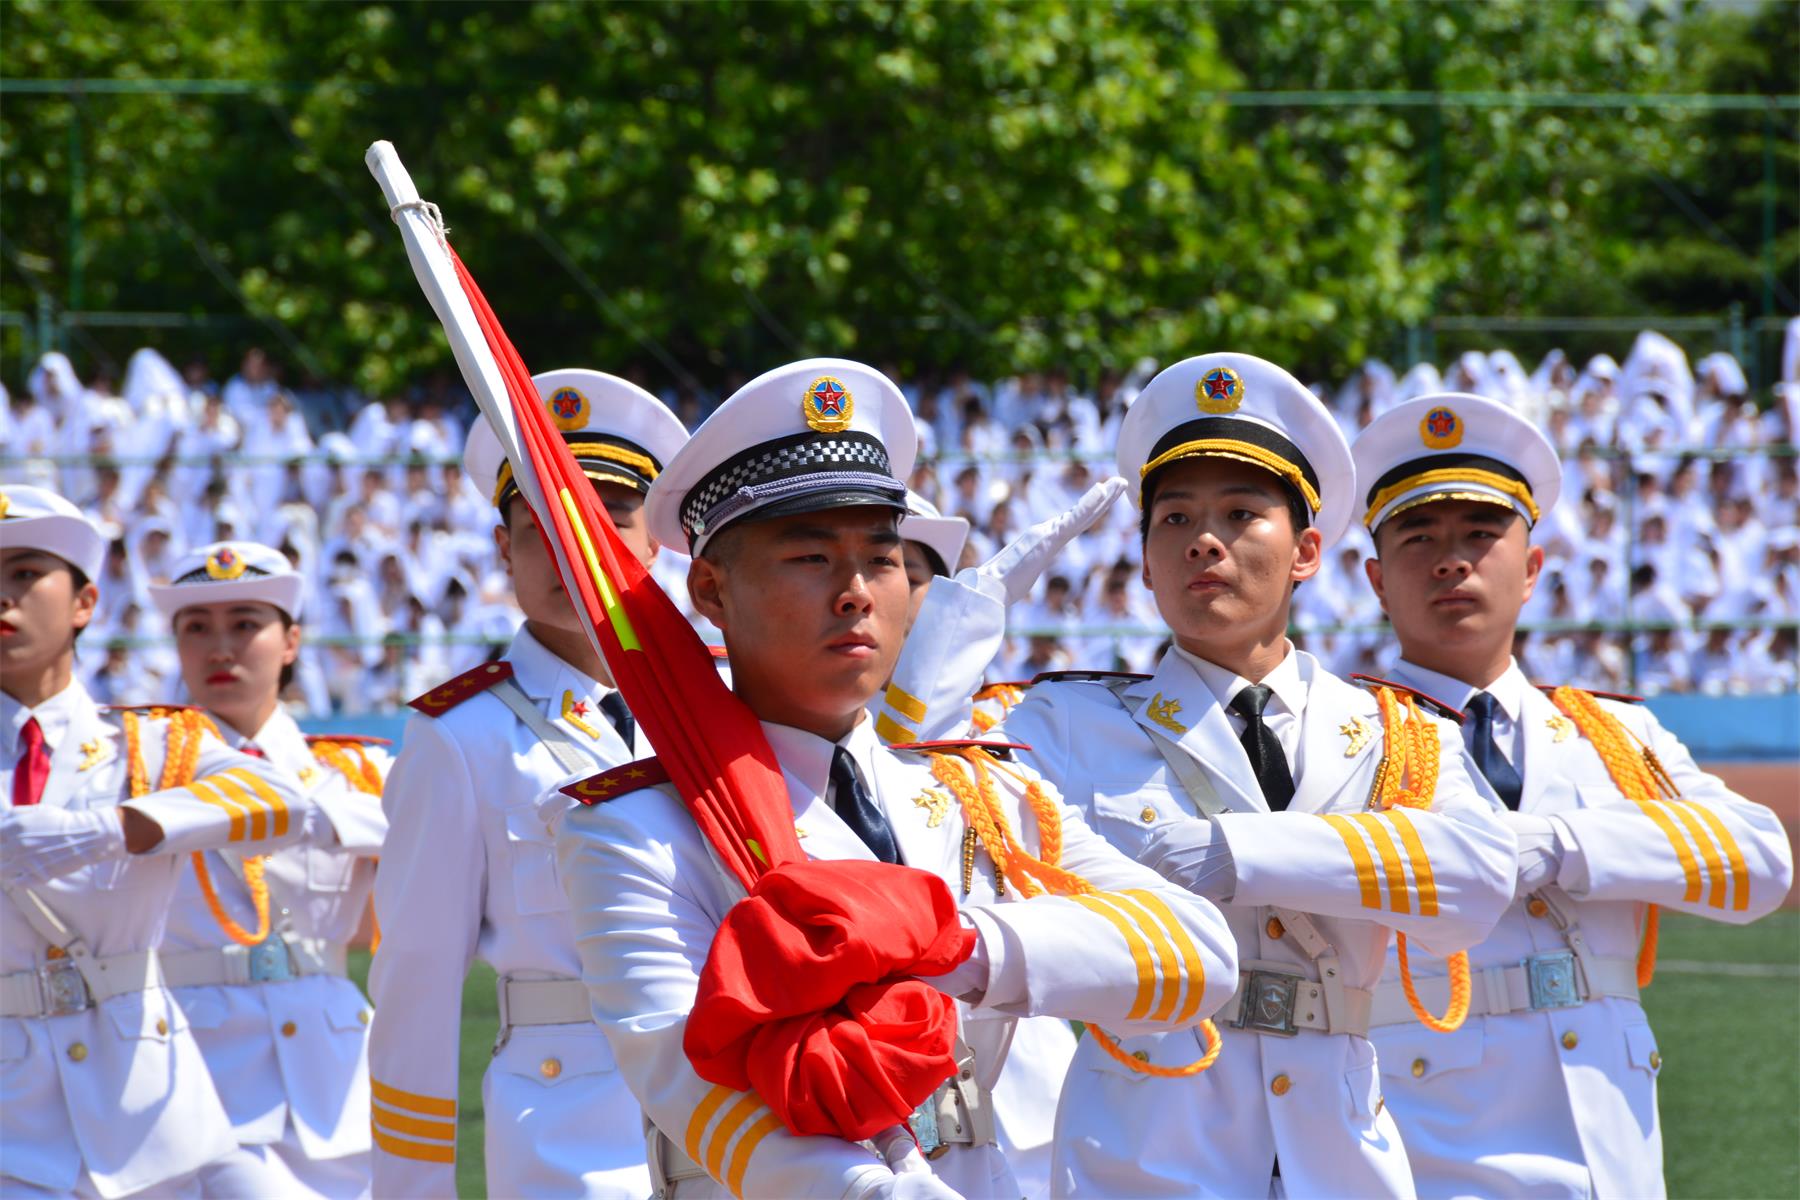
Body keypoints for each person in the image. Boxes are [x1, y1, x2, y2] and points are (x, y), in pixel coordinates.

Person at [555, 358, 1238, 1199]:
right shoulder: (633, 829)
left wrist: (956, 947)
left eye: (881, 561)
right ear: (709, 589)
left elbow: (1199, 954)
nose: (855, 594)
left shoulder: (980, 792)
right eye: (810, 557)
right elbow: (701, 1094)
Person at [998, 353, 1517, 1197]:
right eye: (1173, 520)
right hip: (1146, 1151)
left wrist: (1236, 852)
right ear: (1143, 563)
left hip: (1340, 1153)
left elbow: (1480, 882)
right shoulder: (1058, 725)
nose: (1204, 540)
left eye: (1242, 513)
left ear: (1308, 551)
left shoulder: (1394, 732)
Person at [1351, 393, 1794, 1198]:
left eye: (1483, 536)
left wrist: (1564, 844)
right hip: (1430, 1143)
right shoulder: (1342, 737)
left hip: (1610, 1145)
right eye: (1419, 538)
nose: (1453, 561)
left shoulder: (1615, 735)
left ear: (1533, 568)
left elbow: (1759, 862)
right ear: (1377, 581)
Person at [365, 370, 687, 1197]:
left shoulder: (720, 701)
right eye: (539, 527)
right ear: (503, 550)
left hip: (735, 1108)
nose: (574, 546)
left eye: (608, 519)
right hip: (565, 1124)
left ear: (655, 541)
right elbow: (416, 983)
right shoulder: (459, 735)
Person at [1, 485, 309, 1198]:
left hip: (144, 1107)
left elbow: (279, 801)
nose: (4, 598)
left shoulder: (153, 742)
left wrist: (111, 830)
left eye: (24, 575)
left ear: (84, 604)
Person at [146, 540, 389, 1198]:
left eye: (245, 623)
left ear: (290, 642)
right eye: (196, 628)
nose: (220, 648)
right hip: (197, 1063)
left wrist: (320, 817)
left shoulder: (354, 771)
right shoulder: (141, 767)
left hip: (337, 1073)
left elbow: (422, 842)